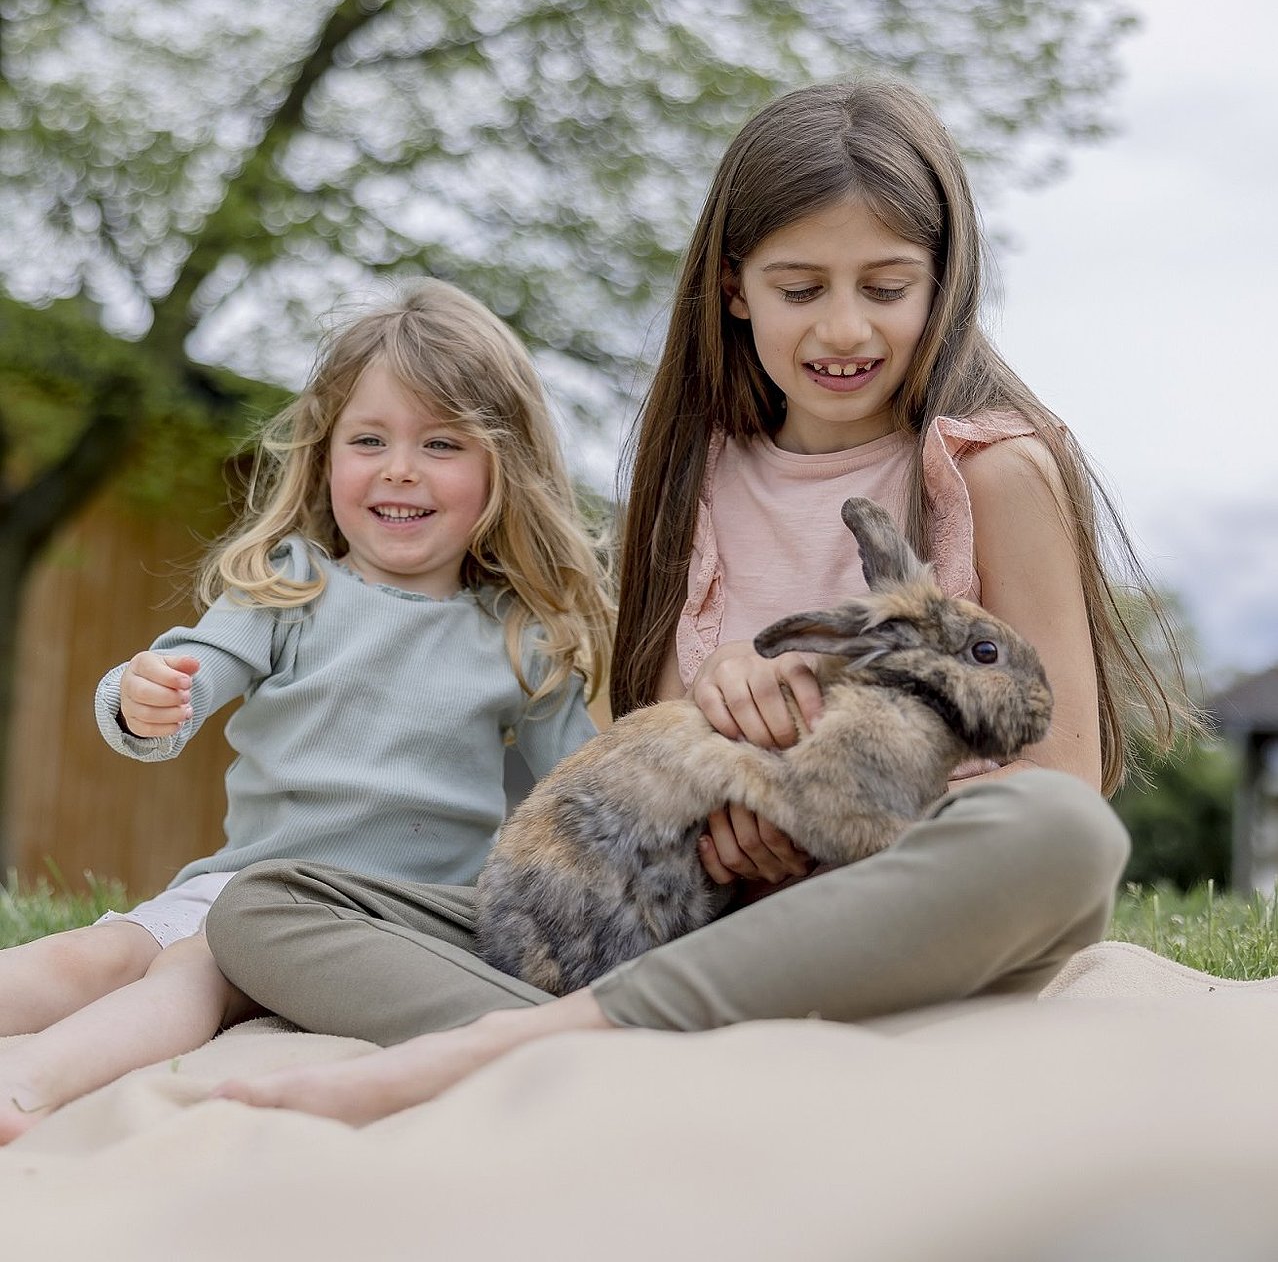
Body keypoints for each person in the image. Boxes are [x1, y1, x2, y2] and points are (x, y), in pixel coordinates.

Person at [204, 78, 1192, 1124]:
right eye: (800, 288)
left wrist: (837, 825)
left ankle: (550, 1044)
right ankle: (643, 1049)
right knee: (266, 906)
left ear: (944, 282)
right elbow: (659, 756)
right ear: (734, 288)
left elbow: (1065, 773)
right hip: (710, 927)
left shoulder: (997, 469)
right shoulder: (698, 479)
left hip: (910, 919)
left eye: (887, 286)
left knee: (1061, 836)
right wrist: (729, 728)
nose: (843, 325)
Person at [0, 278, 612, 1142]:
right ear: (327, 457)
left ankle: (28, 1079)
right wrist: (146, 699)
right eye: (369, 439)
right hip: (240, 882)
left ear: (499, 471)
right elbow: (194, 670)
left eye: (441, 442)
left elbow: (584, 796)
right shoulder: (289, 585)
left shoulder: (521, 640)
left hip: (376, 925)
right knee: (94, 954)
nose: (400, 467)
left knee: (196, 971)